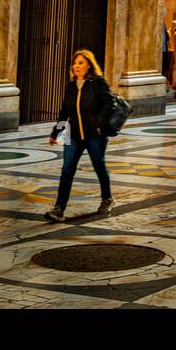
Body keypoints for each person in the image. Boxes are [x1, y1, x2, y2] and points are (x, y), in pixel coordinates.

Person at [46, 49, 115, 222]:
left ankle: (107, 198)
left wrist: (98, 124)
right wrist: (57, 132)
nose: (77, 66)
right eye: (75, 63)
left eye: (81, 63)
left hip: (95, 135)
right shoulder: (71, 86)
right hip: (73, 134)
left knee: (99, 165)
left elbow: (109, 105)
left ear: (89, 65)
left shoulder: (98, 83)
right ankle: (59, 209)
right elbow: (64, 112)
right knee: (67, 170)